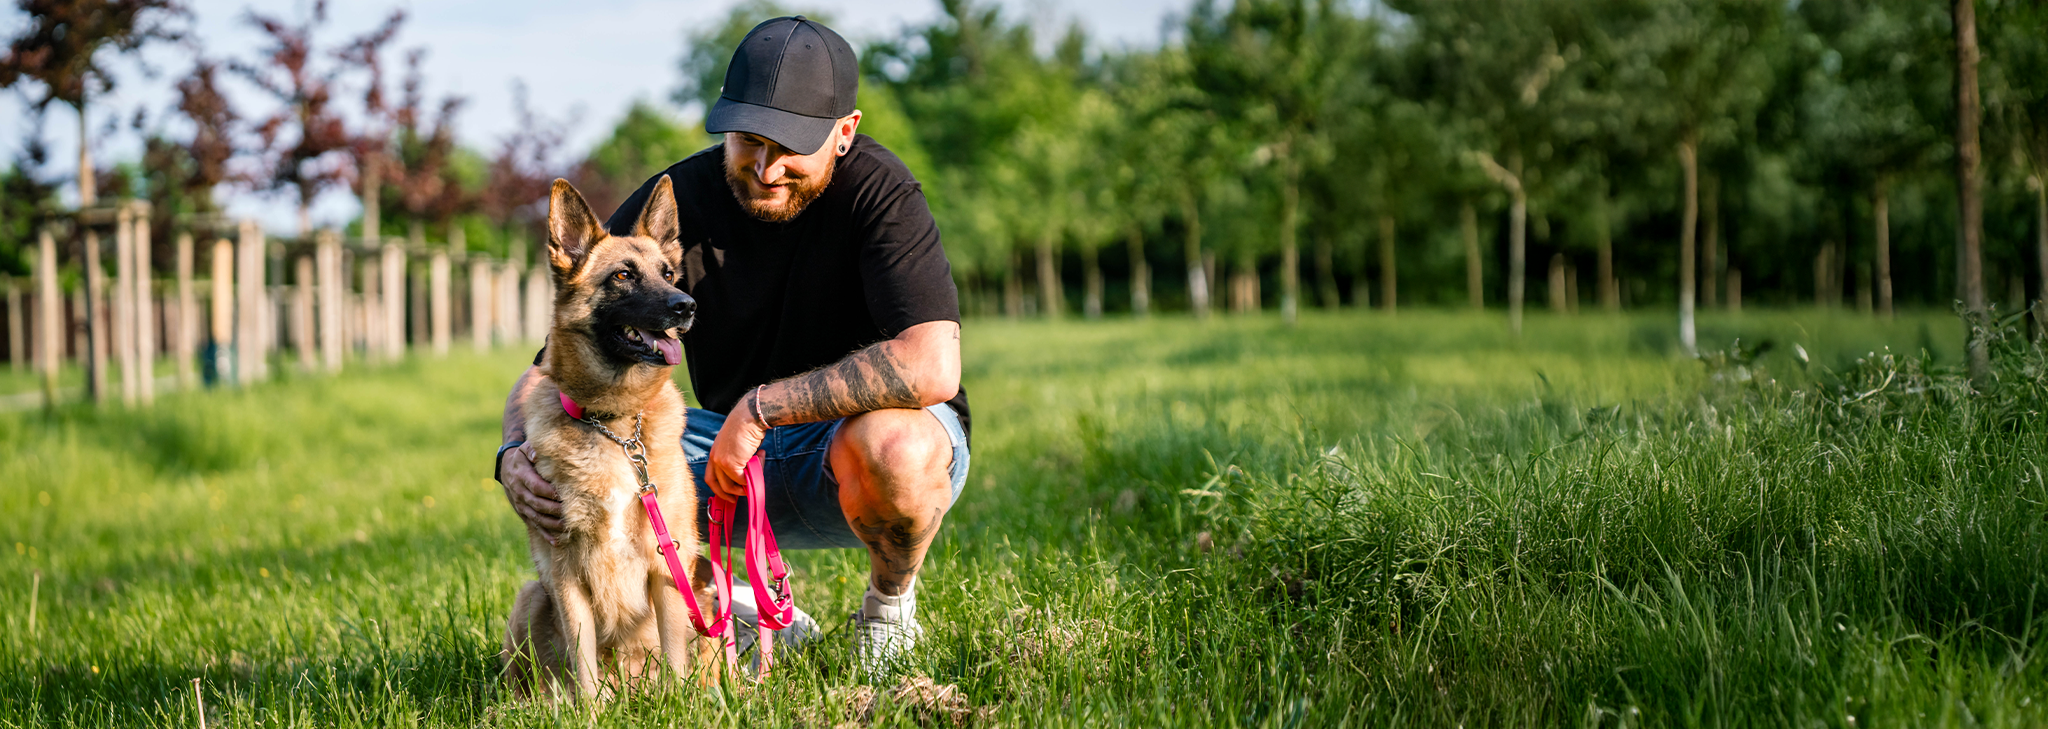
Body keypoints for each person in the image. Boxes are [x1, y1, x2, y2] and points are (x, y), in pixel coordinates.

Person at [493, 15, 969, 676]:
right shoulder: (677, 199)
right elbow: (550, 368)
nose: (766, 167)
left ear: (846, 132)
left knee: (900, 447)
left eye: (791, 145)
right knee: (591, 444)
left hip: (843, 452)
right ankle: (733, 599)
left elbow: (933, 364)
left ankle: (887, 614)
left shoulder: (882, 194)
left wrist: (764, 408)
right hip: (716, 450)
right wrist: (513, 451)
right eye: (749, 140)